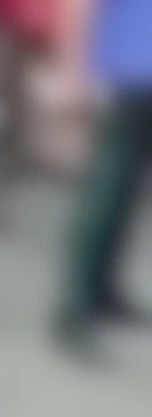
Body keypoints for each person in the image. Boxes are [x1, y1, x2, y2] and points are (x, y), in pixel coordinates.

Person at [55, 0, 152, 345]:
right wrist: (74, 73)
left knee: (127, 192)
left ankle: (102, 288)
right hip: (126, 77)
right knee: (108, 190)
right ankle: (76, 306)